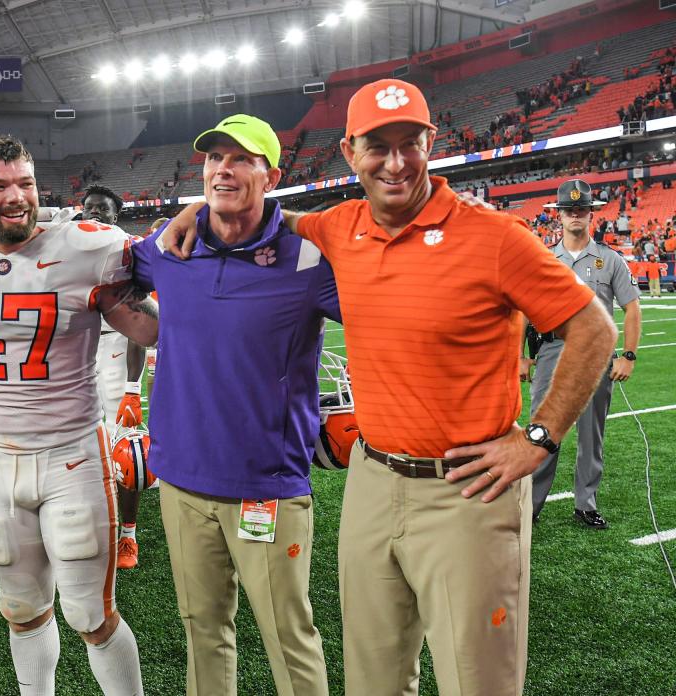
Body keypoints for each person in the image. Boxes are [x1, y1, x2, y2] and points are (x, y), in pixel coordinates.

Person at [163, 80, 616, 695]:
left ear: (432, 143)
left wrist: (539, 438)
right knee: (372, 678)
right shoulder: (342, 226)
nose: (395, 161)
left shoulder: (494, 236)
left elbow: (593, 326)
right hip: (372, 480)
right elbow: (269, 215)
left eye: (410, 143)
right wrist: (201, 208)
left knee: (475, 681)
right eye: (378, 145)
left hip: (466, 490)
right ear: (351, 152)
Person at [0, 135, 157, 696]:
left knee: (90, 615)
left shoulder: (87, 245)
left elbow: (152, 329)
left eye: (24, 183)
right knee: (21, 609)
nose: (15, 197)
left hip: (72, 455)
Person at [133, 114, 338, 696]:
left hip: (265, 489)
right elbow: (106, 266)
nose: (224, 169)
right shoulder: (170, 249)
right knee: (202, 629)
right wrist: (187, 214)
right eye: (214, 159)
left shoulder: (307, 259)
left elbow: (388, 308)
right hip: (179, 482)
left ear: (270, 176)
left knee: (287, 636)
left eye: (242, 159)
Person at [526, 180, 641, 528]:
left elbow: (632, 309)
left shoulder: (611, 260)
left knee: (592, 434)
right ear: (558, 216)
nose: (575, 214)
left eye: (582, 209)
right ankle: (530, 504)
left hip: (595, 354)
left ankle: (586, 504)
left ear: (591, 213)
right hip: (551, 351)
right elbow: (522, 309)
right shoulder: (543, 258)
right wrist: (520, 355)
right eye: (568, 210)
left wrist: (629, 356)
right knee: (542, 429)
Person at [81, 184, 149, 570]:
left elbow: (138, 324)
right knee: (79, 448)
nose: (94, 214)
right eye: (89, 208)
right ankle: (90, 522)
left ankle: (128, 534)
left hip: (114, 348)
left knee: (129, 448)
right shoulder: (68, 246)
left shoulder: (128, 249)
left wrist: (132, 389)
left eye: (103, 210)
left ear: (115, 215)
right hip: (77, 350)